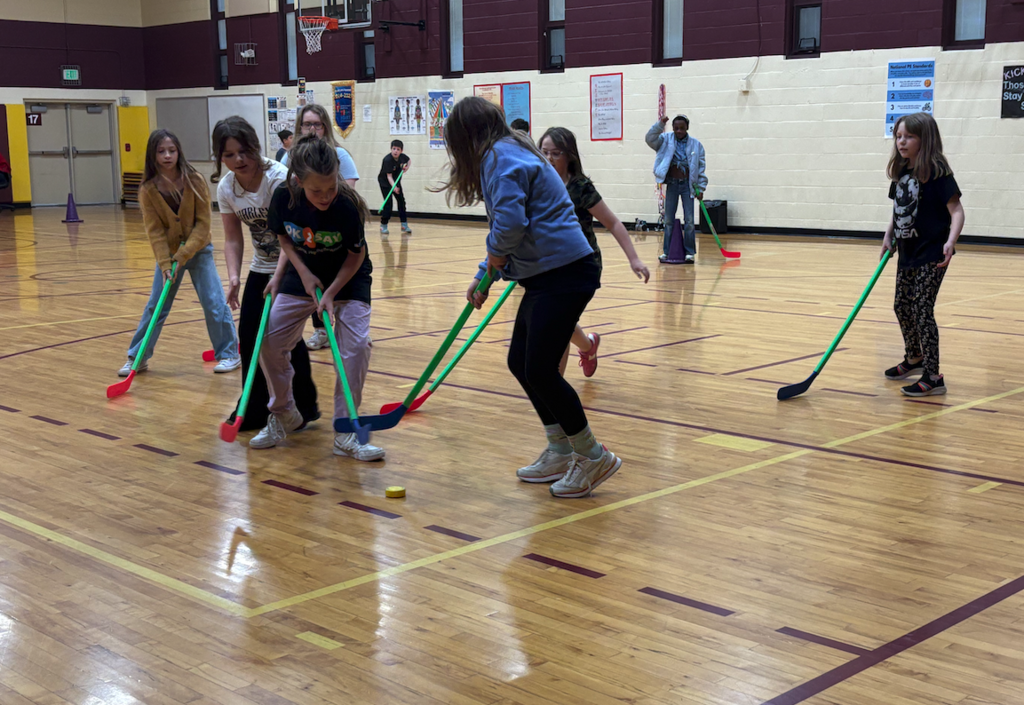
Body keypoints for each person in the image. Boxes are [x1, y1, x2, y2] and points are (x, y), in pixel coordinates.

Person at [437, 96, 621, 499]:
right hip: (548, 274)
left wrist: (487, 275)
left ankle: (593, 456)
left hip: (566, 273)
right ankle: (559, 448)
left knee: (539, 369)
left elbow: (510, 225)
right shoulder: (508, 151)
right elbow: (509, 226)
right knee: (520, 362)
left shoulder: (500, 158)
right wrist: (483, 272)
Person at [254, 134, 384, 461]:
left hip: (348, 277)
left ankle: (345, 431)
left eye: (331, 187)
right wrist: (293, 272)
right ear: (298, 182)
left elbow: (356, 257)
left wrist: (330, 292)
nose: (325, 196)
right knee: (268, 341)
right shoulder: (284, 196)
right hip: (305, 273)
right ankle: (283, 412)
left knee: (355, 349)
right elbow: (284, 235)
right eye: (317, 191)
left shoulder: (347, 205)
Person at [213, 116, 319, 431]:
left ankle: (302, 404)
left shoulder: (277, 179)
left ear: (256, 147)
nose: (239, 160)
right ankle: (254, 410)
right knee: (250, 336)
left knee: (279, 337)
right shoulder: (227, 187)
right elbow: (233, 238)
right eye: (229, 155)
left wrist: (279, 277)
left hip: (296, 263)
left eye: (244, 151)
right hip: (263, 267)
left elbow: (292, 235)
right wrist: (234, 277)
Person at [118, 130, 239, 376]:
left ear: (178, 152)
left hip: (199, 251)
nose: (167, 155)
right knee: (156, 305)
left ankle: (229, 353)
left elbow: (204, 224)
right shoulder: (148, 189)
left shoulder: (194, 180)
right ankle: (137, 357)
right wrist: (165, 263)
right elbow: (155, 231)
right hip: (169, 258)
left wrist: (184, 255)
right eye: (161, 151)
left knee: (213, 302)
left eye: (171, 150)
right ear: (153, 155)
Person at [538, 127, 650, 378]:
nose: (549, 159)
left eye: (555, 153)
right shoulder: (539, 184)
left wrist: (634, 258)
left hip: (581, 266)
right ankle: (589, 346)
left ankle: (556, 388)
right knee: (562, 322)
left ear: (569, 156)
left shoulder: (580, 188)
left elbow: (613, 223)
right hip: (551, 266)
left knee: (559, 326)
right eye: (544, 152)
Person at [881, 112, 964, 397]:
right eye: (898, 136)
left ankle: (933, 376)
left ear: (924, 139)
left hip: (933, 252)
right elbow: (898, 211)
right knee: (901, 306)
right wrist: (889, 234)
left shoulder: (939, 174)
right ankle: (913, 357)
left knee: (921, 308)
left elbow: (957, 211)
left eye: (909, 136)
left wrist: (951, 242)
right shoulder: (903, 172)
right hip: (907, 251)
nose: (901, 142)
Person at [280, 103, 361, 351]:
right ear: (299, 127)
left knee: (341, 284)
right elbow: (286, 195)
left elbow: (348, 191)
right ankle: (321, 330)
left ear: (325, 127)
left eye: (317, 124)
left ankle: (351, 330)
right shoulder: (289, 158)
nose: (312, 129)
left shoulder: (340, 155)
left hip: (333, 231)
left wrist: (323, 201)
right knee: (312, 282)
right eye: (307, 124)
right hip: (304, 232)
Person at [646, 114, 707, 263]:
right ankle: (666, 252)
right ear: (672, 128)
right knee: (668, 220)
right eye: (676, 128)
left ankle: (690, 253)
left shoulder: (696, 145)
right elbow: (649, 138)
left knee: (690, 220)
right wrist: (660, 124)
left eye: (682, 128)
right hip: (672, 184)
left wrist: (701, 187)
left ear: (687, 128)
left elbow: (701, 167)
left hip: (688, 185)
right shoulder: (665, 140)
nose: (679, 131)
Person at [378, 139, 411, 237]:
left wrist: (406, 168)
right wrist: (394, 187)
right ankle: (383, 225)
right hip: (386, 183)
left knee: (401, 201)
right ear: (391, 149)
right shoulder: (387, 160)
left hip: (396, 181)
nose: (395, 151)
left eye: (398, 149)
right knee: (388, 204)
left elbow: (409, 161)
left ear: (401, 151)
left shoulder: (402, 157)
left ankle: (404, 225)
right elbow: (389, 177)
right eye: (394, 149)